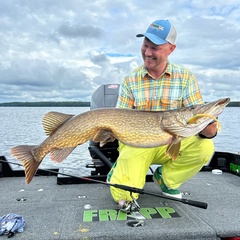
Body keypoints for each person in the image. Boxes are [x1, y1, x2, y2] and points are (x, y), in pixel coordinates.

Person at [107, 19, 218, 211]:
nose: (148, 53)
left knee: (205, 147)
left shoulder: (186, 78)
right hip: (137, 142)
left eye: (155, 48)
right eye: (145, 45)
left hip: (172, 141)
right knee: (124, 196)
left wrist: (209, 130)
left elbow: (195, 116)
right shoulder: (130, 80)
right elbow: (118, 119)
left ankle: (166, 179)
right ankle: (118, 170)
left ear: (171, 49)